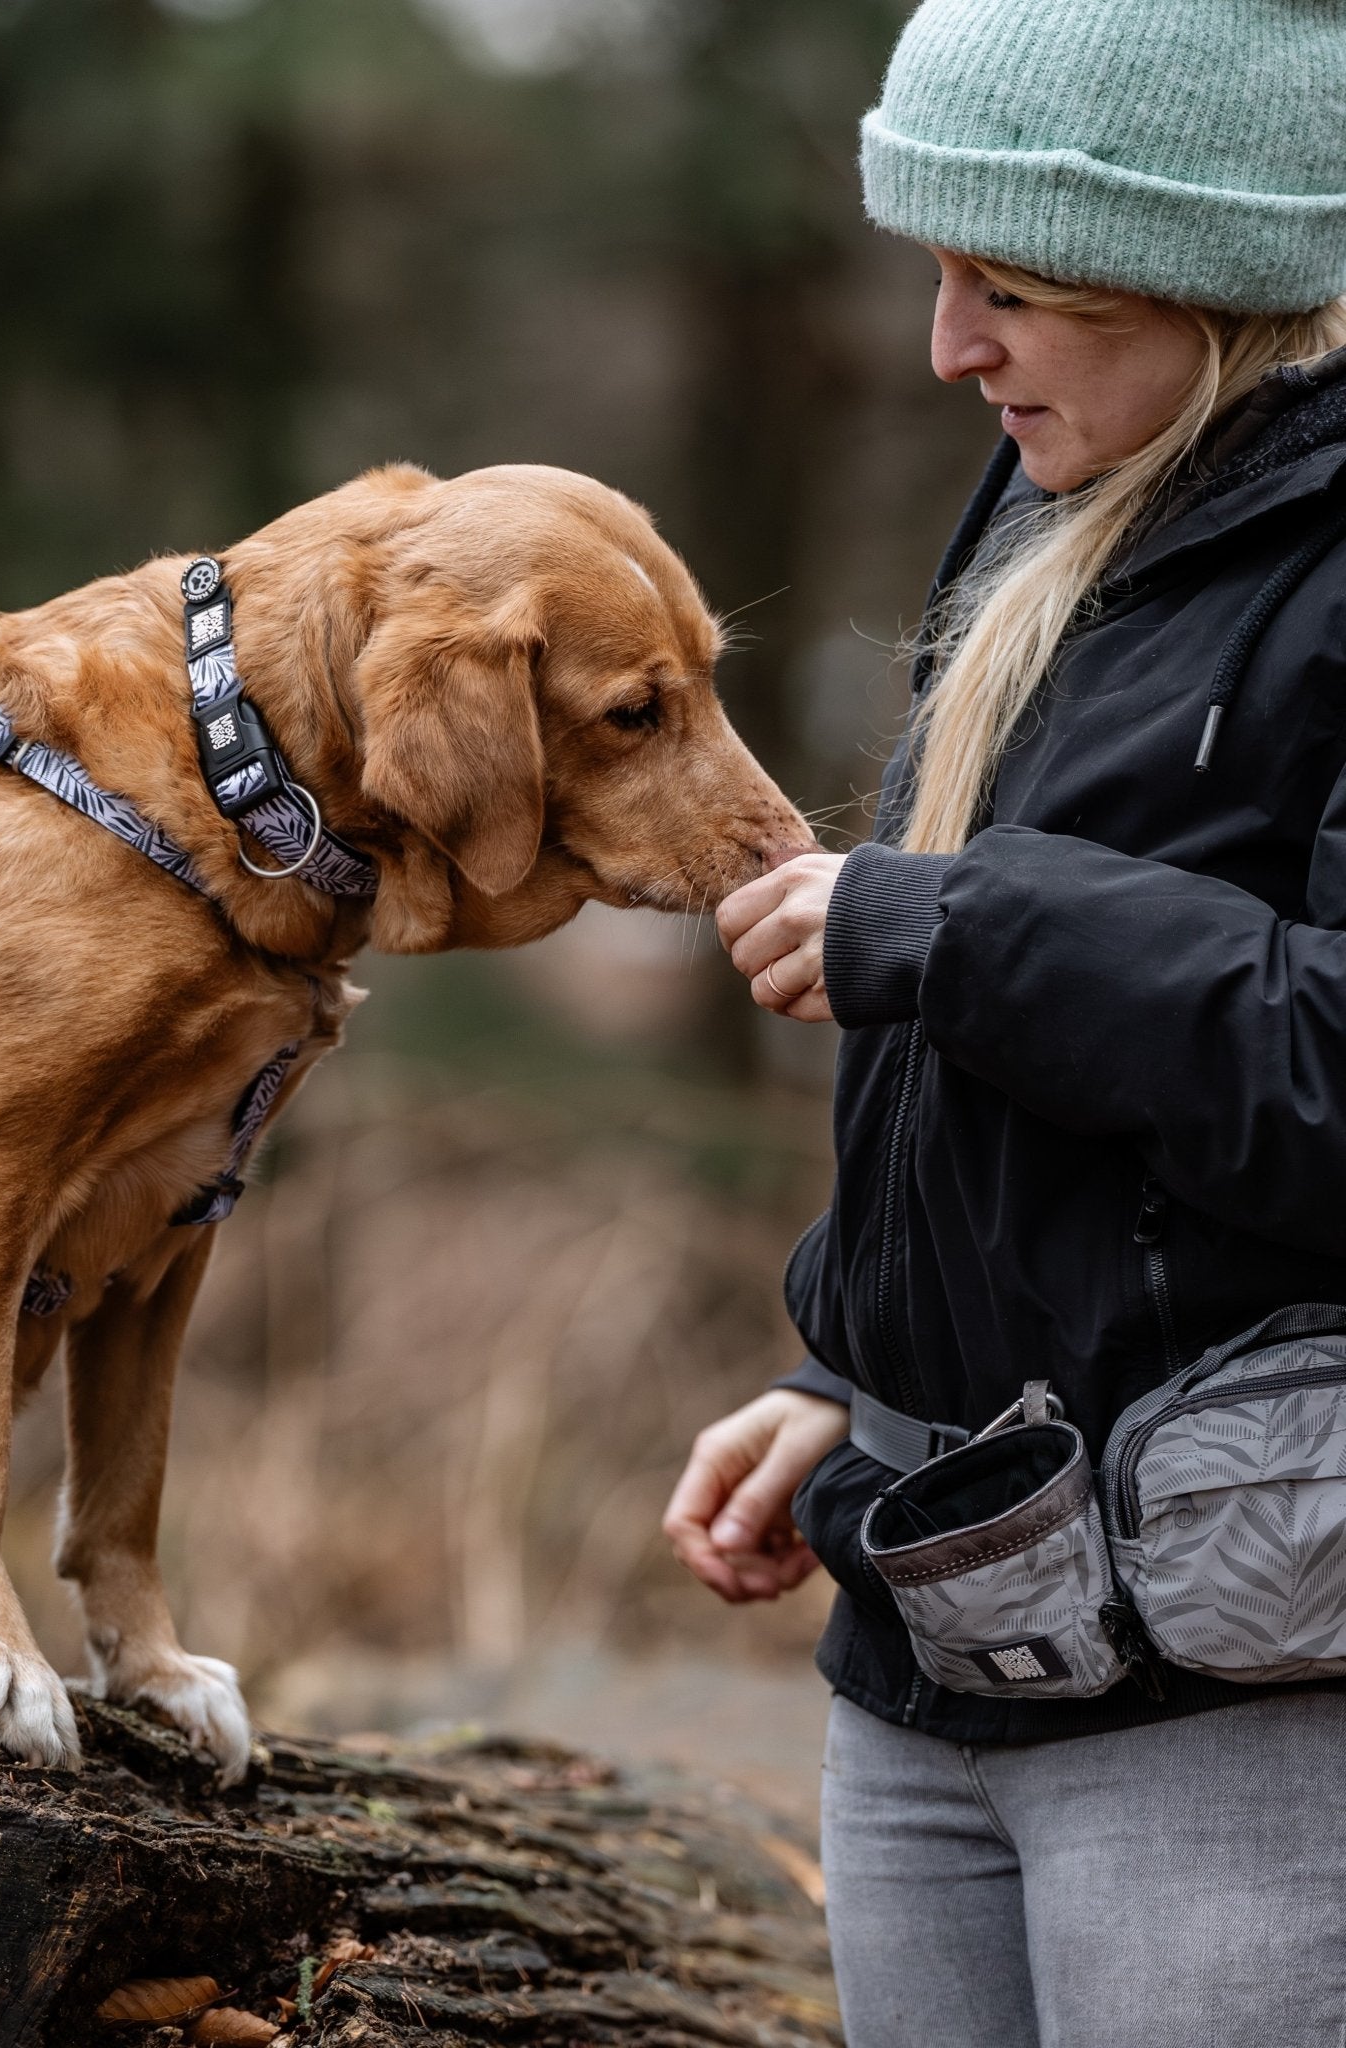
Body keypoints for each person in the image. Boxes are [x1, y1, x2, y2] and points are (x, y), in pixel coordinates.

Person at [662, 2, 1346, 2041]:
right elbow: (1046, 1114)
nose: (947, 347)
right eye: (937, 275)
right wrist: (856, 1363)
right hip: (934, 1647)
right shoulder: (1081, 484)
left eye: (1012, 289)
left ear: (1211, 274)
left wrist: (958, 933)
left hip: (1235, 1705)